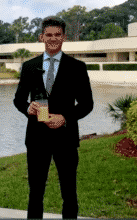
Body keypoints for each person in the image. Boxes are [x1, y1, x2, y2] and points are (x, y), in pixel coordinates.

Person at [13, 16, 94, 219]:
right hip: (36, 139)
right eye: (48, 35)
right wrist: (27, 108)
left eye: (57, 35)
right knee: (35, 193)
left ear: (64, 37)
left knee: (69, 193)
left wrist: (65, 118)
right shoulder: (29, 66)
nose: (53, 39)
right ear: (41, 37)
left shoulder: (77, 67)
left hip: (65, 139)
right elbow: (18, 100)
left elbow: (87, 104)